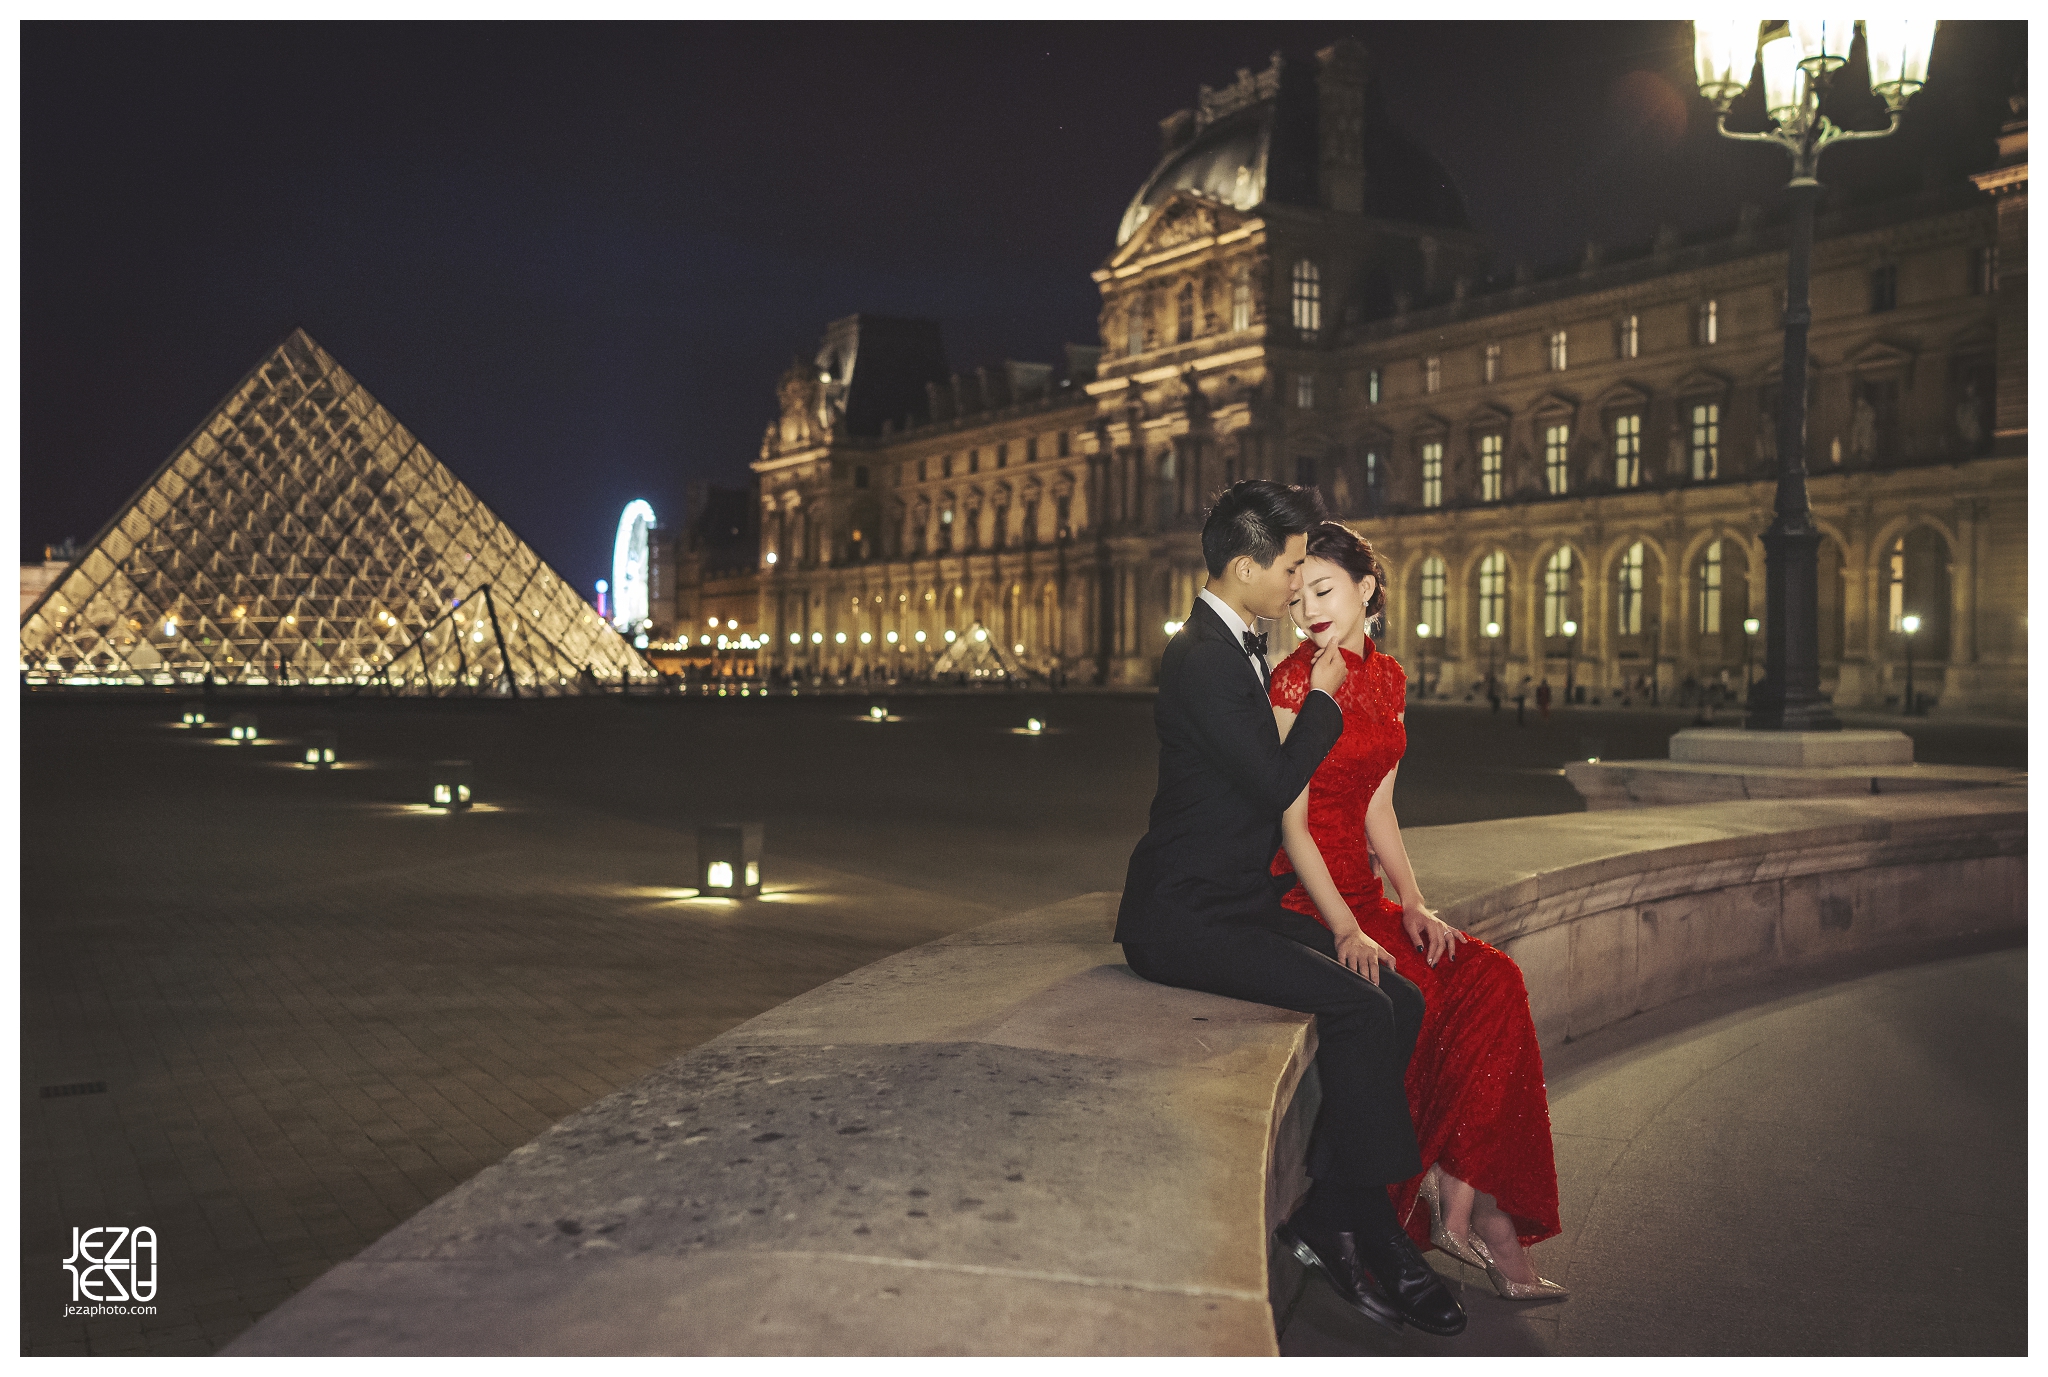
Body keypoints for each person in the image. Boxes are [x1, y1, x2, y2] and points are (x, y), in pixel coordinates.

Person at [1116, 481, 1465, 1338]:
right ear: (1244, 567)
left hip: (1235, 898)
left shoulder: (1231, 642)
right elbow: (1276, 786)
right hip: (1182, 917)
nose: (1298, 580)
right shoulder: (1202, 655)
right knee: (1355, 1003)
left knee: (1403, 997)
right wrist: (1324, 695)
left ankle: (1338, 1204)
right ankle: (1371, 1225)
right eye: (1289, 565)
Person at [1267, 521, 1566, 1303]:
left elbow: (1380, 810)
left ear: (1368, 590)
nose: (1308, 611)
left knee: (1492, 978)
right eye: (1297, 598)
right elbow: (1289, 824)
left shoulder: (1390, 680)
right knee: (1420, 1000)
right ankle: (1466, 1221)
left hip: (1365, 894)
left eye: (1323, 591)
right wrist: (1345, 926)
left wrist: (1415, 902)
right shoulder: (1293, 682)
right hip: (1306, 892)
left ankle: (1462, 1206)